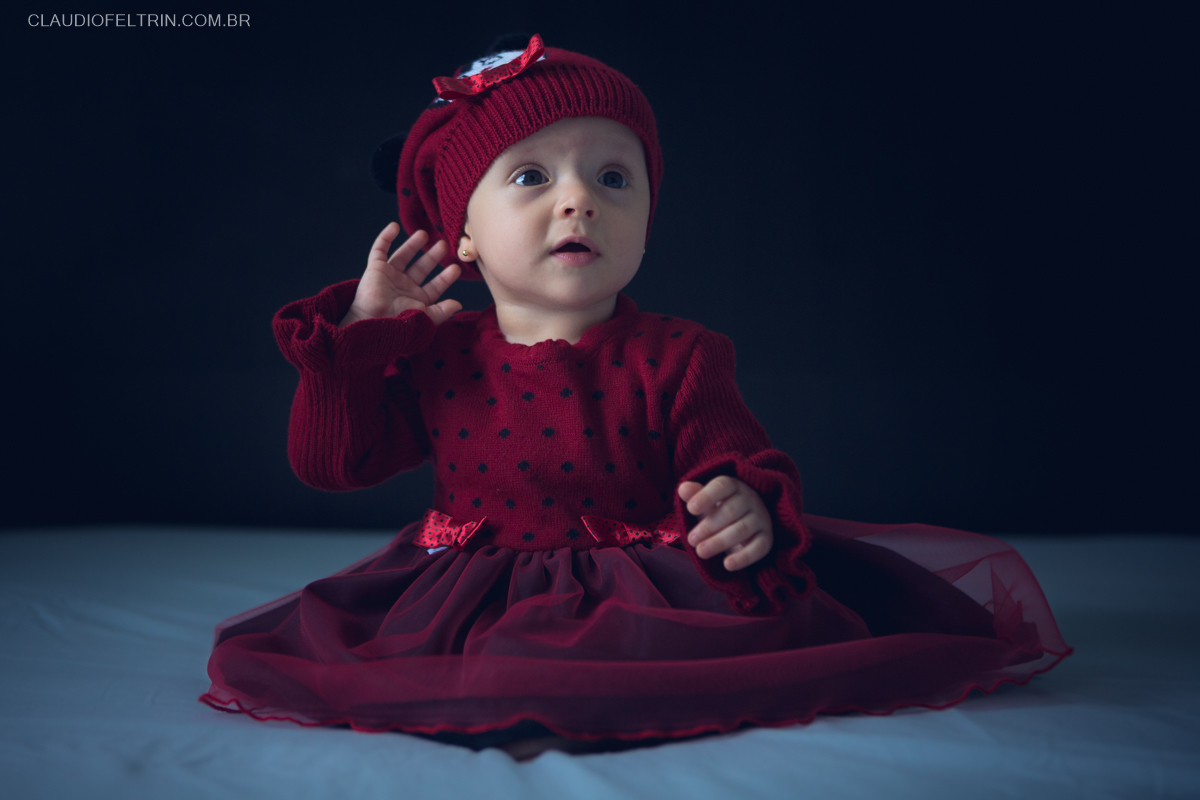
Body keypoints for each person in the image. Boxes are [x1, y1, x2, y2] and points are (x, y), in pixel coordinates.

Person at [199, 33, 1071, 760]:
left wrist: (745, 504)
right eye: (532, 177)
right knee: (416, 659)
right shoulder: (437, 355)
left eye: (613, 179)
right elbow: (330, 466)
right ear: (461, 231)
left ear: (646, 222)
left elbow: (733, 456)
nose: (579, 199)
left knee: (733, 643)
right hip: (468, 590)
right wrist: (353, 344)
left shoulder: (679, 355)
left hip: (638, 588)